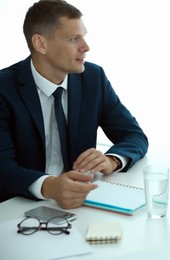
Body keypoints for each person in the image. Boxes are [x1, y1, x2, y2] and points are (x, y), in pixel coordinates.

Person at [0, 0, 148, 209]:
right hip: (17, 207)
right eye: (74, 39)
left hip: (79, 205)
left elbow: (134, 135)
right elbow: (3, 168)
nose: (86, 47)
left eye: (84, 36)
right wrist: (50, 186)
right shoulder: (4, 89)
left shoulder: (93, 78)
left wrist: (112, 160)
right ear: (40, 44)